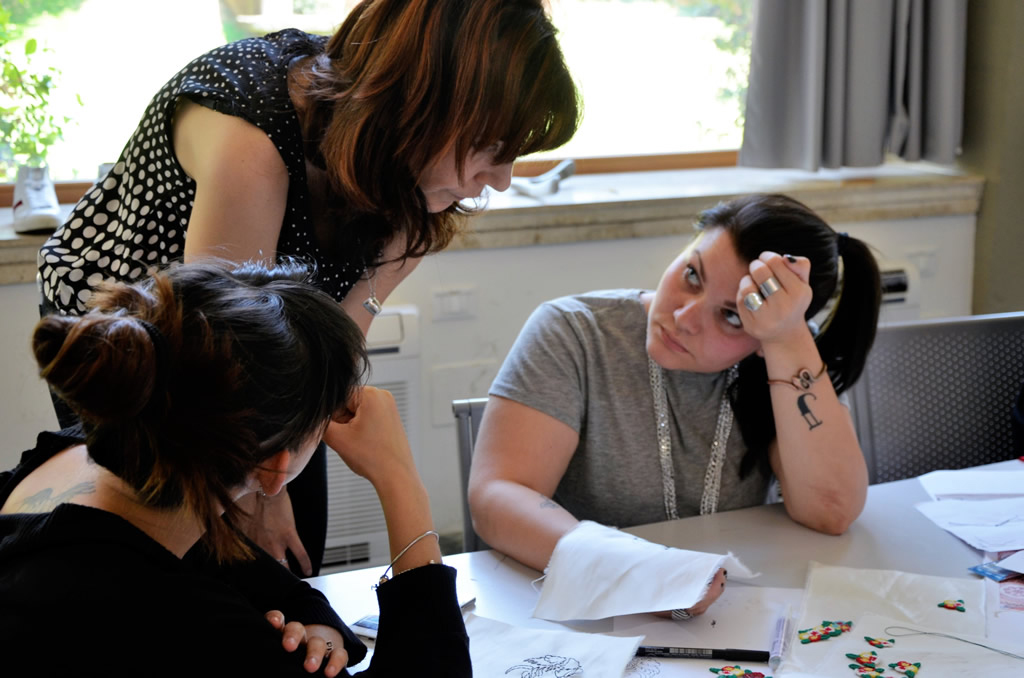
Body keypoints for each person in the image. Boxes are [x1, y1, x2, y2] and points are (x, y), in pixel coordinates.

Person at [36, 0, 581, 576]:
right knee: (170, 560)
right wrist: (263, 496)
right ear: (423, 108)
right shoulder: (252, 139)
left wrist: (281, 484)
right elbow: (226, 372)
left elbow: (338, 340)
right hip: (143, 339)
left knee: (292, 546)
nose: (502, 180)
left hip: (255, 350)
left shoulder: (409, 172)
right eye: (492, 148)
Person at [0, 260, 470, 676]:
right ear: (275, 468)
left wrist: (318, 623)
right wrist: (399, 481)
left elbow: (250, 575)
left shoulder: (89, 465)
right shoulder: (183, 627)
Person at [468, 193, 882, 617]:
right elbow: (496, 496)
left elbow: (831, 512)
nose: (685, 317)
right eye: (692, 275)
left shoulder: (785, 352)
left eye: (732, 316)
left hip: (737, 608)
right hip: (590, 611)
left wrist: (786, 340)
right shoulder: (573, 331)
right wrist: (636, 574)